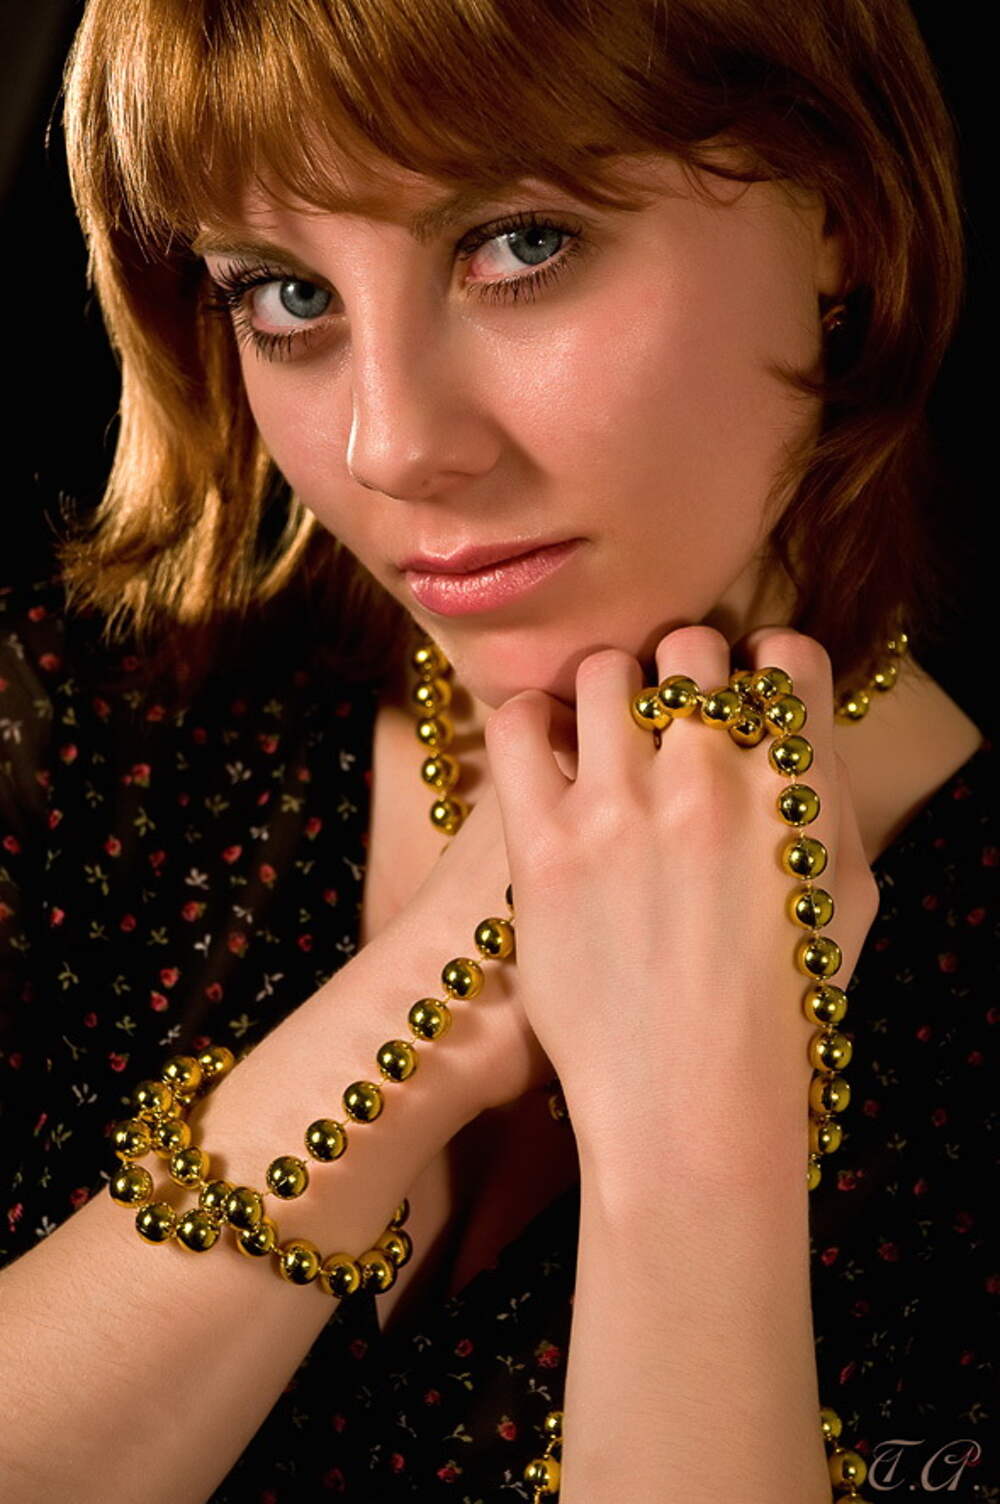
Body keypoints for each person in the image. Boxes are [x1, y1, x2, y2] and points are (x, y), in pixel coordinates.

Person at [0, 0, 994, 1499]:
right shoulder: (76, 729)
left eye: (521, 245)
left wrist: (692, 1158)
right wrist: (434, 997)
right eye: (284, 293)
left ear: (839, 217)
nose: (392, 445)